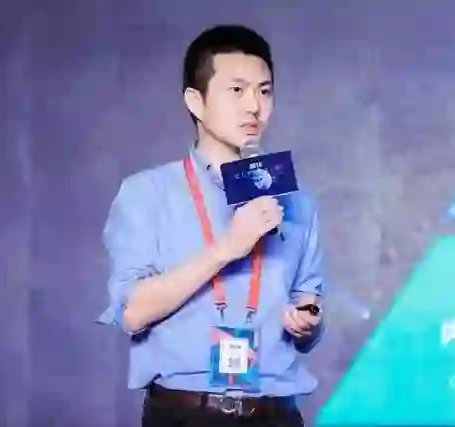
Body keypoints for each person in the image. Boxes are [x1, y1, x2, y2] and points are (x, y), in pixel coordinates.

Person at [97, 24, 327, 427]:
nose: (254, 105)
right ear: (196, 101)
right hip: (186, 414)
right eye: (236, 90)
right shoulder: (147, 192)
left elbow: (309, 302)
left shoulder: (295, 200)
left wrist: (308, 321)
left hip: (276, 414)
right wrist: (227, 247)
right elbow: (133, 313)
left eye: (264, 91)